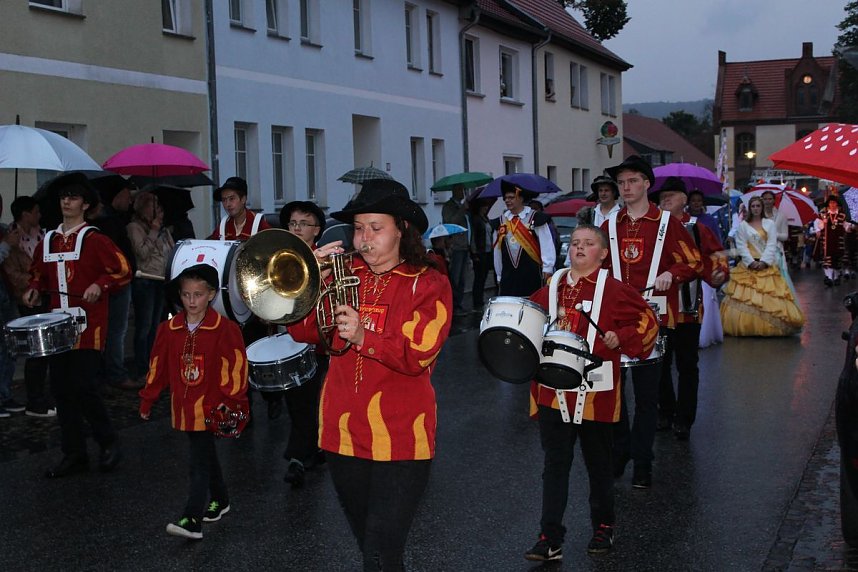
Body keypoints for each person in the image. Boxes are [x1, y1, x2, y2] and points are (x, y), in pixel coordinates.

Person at [288, 178, 452, 571]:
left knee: (381, 549)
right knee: (372, 548)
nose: (364, 238)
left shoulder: (428, 283)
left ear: (402, 229)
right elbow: (303, 331)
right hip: (342, 434)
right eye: (359, 228)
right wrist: (311, 279)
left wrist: (364, 334)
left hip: (401, 436)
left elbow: (418, 355)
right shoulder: (345, 274)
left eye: (375, 228)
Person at [523, 225, 659, 561]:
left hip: (595, 393)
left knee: (599, 464)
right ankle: (549, 537)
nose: (579, 248)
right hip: (553, 391)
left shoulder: (614, 289)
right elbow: (527, 319)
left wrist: (622, 337)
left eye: (588, 243)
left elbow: (647, 321)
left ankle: (604, 527)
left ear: (602, 253)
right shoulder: (551, 286)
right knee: (555, 464)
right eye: (575, 243)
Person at [600, 156, 701, 489]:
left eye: (632, 181)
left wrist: (671, 273)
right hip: (614, 319)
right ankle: (620, 451)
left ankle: (642, 461)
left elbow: (693, 261)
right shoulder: (609, 226)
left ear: (646, 184)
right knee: (612, 391)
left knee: (647, 397)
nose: (626, 188)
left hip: (653, 319)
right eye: (622, 183)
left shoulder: (668, 223)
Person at [23, 173, 131, 478]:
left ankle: (109, 442)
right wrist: (32, 287)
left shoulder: (96, 239)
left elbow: (122, 270)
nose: (66, 202)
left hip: (88, 327)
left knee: (84, 386)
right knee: (61, 389)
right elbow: (38, 273)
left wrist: (101, 284)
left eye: (72, 197)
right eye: (63, 197)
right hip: (57, 328)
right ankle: (74, 453)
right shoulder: (49, 240)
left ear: (85, 204)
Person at [139, 263, 248, 540]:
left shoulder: (225, 328)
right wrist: (147, 399)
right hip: (183, 408)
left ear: (211, 294)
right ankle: (221, 500)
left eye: (198, 295)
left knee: (198, 462)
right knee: (205, 454)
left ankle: (191, 518)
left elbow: (235, 367)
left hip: (210, 406)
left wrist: (231, 401)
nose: (191, 301)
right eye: (186, 295)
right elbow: (157, 366)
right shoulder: (169, 329)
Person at [652, 177, 729, 440]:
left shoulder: (697, 229)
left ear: (684, 199)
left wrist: (719, 274)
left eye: (670, 195)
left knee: (687, 364)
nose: (664, 200)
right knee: (659, 363)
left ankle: (684, 418)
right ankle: (665, 410)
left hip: (687, 308)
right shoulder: (652, 228)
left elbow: (717, 257)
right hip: (658, 309)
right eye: (662, 196)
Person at [276, 200, 329, 487]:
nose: (296, 228)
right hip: (289, 336)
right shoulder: (281, 257)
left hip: (316, 339)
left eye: (303, 223)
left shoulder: (327, 258)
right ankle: (313, 448)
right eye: (293, 223)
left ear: (317, 230)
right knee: (296, 398)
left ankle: (297, 457)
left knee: (307, 397)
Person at [721, 196, 805, 336]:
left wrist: (764, 262)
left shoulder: (769, 224)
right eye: (753, 206)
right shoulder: (743, 225)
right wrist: (751, 262)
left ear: (762, 208)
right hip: (748, 265)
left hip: (766, 264)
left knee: (769, 296)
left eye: (758, 206)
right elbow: (741, 245)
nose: (755, 208)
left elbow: (772, 244)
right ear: (749, 208)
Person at [2, 196, 54, 417]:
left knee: (45, 349)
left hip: (44, 296)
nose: (39, 215)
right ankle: (33, 399)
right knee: (34, 350)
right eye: (35, 211)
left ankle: (39, 395)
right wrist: (35, 283)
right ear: (25, 214)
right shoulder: (10, 237)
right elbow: (12, 274)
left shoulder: (41, 234)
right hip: (26, 298)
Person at [93, 183, 138, 390]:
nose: (130, 201)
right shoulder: (108, 223)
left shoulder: (116, 219)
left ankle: (109, 372)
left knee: (114, 330)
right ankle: (113, 373)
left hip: (120, 280)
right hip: (115, 282)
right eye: (126, 196)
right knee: (115, 330)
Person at [127, 191, 175, 385]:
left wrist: (164, 234)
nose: (159, 212)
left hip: (160, 279)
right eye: (154, 207)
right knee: (145, 327)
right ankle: (142, 368)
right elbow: (142, 253)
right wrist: (153, 232)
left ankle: (156, 366)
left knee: (157, 327)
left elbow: (170, 251)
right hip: (144, 279)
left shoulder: (162, 229)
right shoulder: (134, 227)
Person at [492, 181, 555, 296]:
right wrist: (499, 274)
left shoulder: (535, 218)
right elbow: (497, 251)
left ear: (521, 198)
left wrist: (548, 267)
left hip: (531, 272)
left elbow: (547, 244)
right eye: (505, 198)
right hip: (509, 274)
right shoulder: (500, 222)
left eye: (511, 197)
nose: (507, 200)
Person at [207, 176, 271, 241]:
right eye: (224, 200)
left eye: (232, 199)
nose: (227, 204)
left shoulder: (259, 225)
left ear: (243, 199)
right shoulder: (223, 226)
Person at [442, 184, 470, 316]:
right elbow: (450, 222)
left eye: (463, 190)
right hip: (455, 246)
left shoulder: (461, 206)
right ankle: (453, 306)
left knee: (463, 278)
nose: (463, 192)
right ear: (454, 191)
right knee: (455, 277)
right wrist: (462, 210)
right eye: (460, 190)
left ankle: (459, 303)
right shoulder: (448, 206)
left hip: (465, 245)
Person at [813, 197, 850, 286]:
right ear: (828, 204)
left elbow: (846, 226)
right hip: (827, 240)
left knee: (837, 259)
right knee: (827, 259)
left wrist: (849, 228)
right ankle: (829, 278)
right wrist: (821, 226)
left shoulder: (843, 215)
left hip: (838, 240)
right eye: (831, 203)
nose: (832, 205)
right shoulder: (823, 215)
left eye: (834, 203)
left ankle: (836, 277)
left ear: (837, 204)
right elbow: (818, 225)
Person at [469, 198, 494, 314]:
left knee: (484, 277)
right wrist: (474, 253)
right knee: (479, 278)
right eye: (484, 207)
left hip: (488, 251)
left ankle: (481, 300)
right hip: (480, 252)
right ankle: (477, 302)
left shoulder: (485, 219)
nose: (486, 209)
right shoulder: (476, 220)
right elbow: (473, 237)